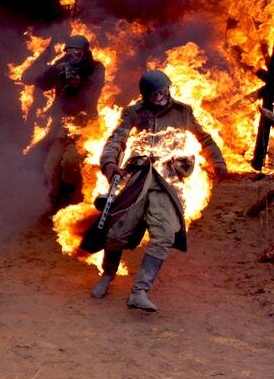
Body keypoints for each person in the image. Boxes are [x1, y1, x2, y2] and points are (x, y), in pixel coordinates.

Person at [90, 69, 228, 311]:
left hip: (168, 181)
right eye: (156, 94)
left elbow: (205, 139)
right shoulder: (134, 113)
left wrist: (218, 161)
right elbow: (116, 140)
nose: (161, 96)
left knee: (164, 234)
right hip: (139, 178)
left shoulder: (183, 111)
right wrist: (110, 164)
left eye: (164, 90)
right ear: (146, 95)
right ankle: (108, 275)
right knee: (116, 231)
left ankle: (139, 291)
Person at [25, 35, 106, 208]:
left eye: (78, 53)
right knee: (50, 166)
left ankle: (71, 200)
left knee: (71, 164)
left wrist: (78, 83)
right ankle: (51, 205)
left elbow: (94, 89)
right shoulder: (62, 65)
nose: (74, 56)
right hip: (61, 125)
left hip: (85, 126)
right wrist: (55, 70)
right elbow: (40, 83)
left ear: (85, 53)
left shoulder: (96, 68)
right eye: (70, 52)